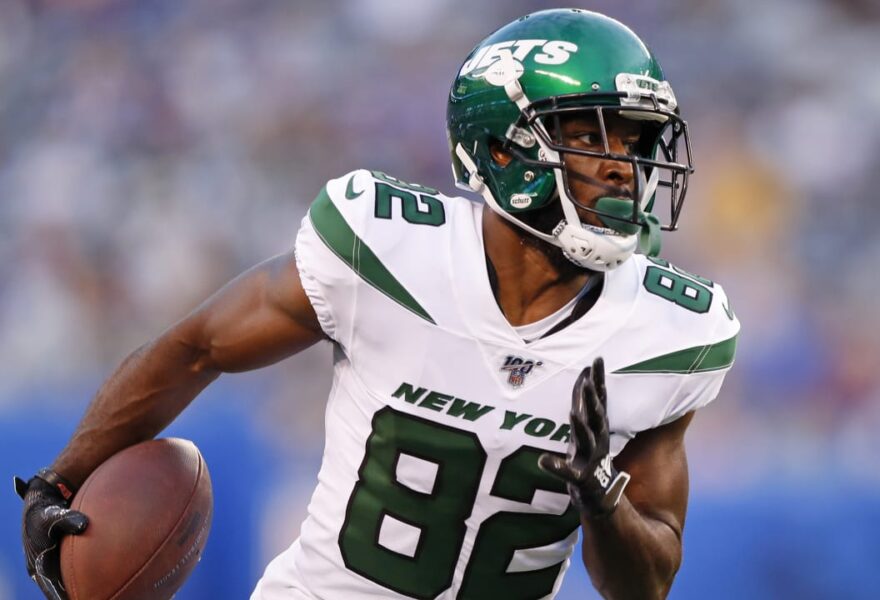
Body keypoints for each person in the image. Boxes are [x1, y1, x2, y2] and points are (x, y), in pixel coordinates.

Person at [16, 8, 739, 600]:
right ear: (501, 150)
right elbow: (197, 348)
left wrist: (603, 499)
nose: (625, 168)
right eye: (590, 137)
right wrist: (62, 477)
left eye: (637, 142)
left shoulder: (670, 331)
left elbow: (646, 585)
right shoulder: (388, 249)